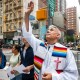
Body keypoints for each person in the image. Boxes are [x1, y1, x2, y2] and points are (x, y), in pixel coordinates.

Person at [22, 1, 78, 80]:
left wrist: (53, 77)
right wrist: (27, 15)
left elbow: (73, 76)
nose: (48, 31)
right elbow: (28, 35)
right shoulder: (39, 45)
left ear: (58, 35)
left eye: (51, 30)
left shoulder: (66, 51)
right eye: (48, 30)